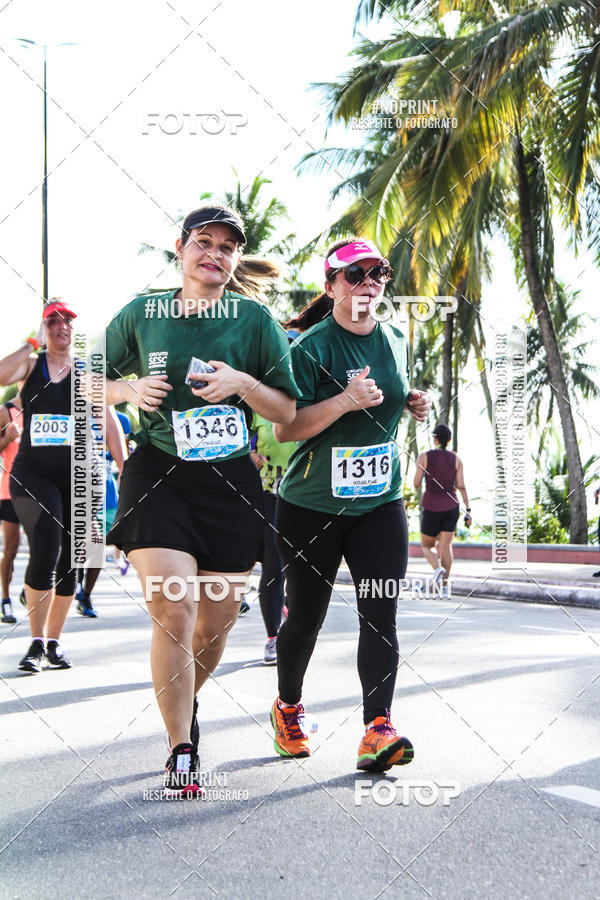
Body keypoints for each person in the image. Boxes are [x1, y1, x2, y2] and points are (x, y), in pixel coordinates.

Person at [101, 205, 299, 795]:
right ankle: (181, 749)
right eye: (203, 242)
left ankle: (182, 703)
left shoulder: (255, 320)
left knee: (212, 628)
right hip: (159, 472)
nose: (214, 253)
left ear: (235, 259)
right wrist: (128, 386)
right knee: (174, 606)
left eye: (227, 246)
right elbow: (86, 381)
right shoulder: (143, 313)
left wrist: (243, 384)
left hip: (230, 482)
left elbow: (287, 412)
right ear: (181, 248)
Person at [270, 237, 430, 772]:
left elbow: (390, 391)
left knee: (380, 613)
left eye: (377, 274)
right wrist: (345, 401)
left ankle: (376, 728)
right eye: (355, 275)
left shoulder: (398, 338)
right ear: (331, 285)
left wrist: (412, 400)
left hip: (379, 503)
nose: (368, 284)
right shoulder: (310, 347)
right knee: (307, 618)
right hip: (311, 506)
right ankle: (288, 708)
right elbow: (285, 427)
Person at [0, 300, 125, 674]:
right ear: (43, 328)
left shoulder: (87, 374)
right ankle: (35, 642)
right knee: (47, 546)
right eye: (53, 321)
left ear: (75, 329)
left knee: (73, 559)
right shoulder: (31, 365)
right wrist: (29, 342)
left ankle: (54, 643)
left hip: (78, 475)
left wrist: (126, 468)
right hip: (33, 473)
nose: (61, 327)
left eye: (67, 321)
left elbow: (109, 421)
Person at [250, 381, 297, 664]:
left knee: (303, 566)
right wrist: (250, 454)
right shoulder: (257, 407)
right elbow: (244, 442)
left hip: (304, 495)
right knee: (273, 564)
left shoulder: (306, 399)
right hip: (268, 494)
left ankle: (289, 607)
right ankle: (272, 637)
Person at [75, 408, 128, 616]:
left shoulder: (119, 420)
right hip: (79, 488)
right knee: (90, 540)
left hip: (107, 492)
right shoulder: (74, 414)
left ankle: (85, 593)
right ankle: (76, 583)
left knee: (99, 545)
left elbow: (124, 451)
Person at [413, 423, 471, 596]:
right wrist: (468, 510)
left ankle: (437, 569)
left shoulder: (424, 456)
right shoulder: (456, 459)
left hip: (431, 506)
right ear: (450, 439)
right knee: (446, 547)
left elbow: (416, 483)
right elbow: (461, 486)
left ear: (435, 438)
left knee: (426, 546)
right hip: (452, 506)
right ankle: (444, 588)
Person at [0, 395, 22, 624]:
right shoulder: (5, 412)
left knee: (46, 546)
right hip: (10, 490)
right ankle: (5, 600)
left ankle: (31, 590)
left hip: (40, 490)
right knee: (11, 549)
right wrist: (7, 438)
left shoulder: (46, 408)